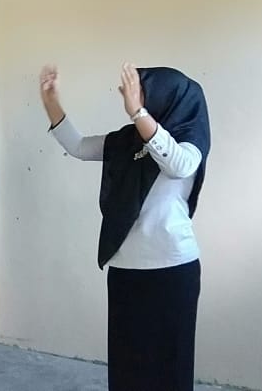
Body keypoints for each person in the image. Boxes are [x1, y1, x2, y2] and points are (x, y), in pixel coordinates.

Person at [39, 63, 210, 391]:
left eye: (144, 94)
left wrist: (138, 113)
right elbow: (78, 146)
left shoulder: (188, 140)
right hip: (126, 270)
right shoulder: (126, 142)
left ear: (167, 98)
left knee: (169, 370)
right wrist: (51, 103)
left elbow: (178, 165)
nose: (136, 99)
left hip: (173, 271)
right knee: (127, 367)